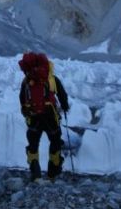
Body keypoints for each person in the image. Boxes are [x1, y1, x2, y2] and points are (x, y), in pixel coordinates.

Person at [18, 51, 70, 181]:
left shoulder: (27, 81)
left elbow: (22, 99)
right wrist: (64, 107)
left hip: (33, 118)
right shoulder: (52, 79)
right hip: (50, 116)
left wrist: (26, 112)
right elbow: (63, 96)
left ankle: (35, 174)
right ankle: (53, 173)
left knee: (33, 145)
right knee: (55, 142)